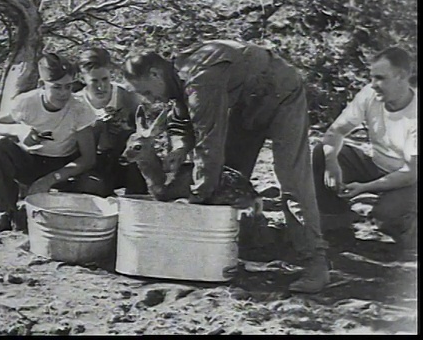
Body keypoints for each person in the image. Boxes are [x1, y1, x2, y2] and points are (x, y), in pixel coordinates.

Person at [121, 40, 329, 293]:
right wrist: (180, 147)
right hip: (248, 102)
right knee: (230, 176)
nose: (149, 99)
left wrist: (196, 197)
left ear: (155, 73)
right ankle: (240, 246)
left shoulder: (200, 79)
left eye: (147, 92)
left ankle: (315, 264)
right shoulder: (178, 76)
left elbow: (209, 143)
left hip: (282, 93)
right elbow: (181, 118)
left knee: (292, 179)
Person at [312, 46, 417, 253]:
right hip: (378, 166)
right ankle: (336, 227)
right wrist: (332, 164)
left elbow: (411, 173)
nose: (373, 85)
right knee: (322, 152)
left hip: (409, 180)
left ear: (402, 76)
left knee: (388, 217)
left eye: (380, 78)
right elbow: (335, 132)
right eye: (371, 78)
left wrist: (364, 187)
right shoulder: (370, 95)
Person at [0, 52, 98, 232]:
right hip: (31, 160)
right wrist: (17, 129)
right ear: (42, 85)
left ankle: (43, 208)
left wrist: (50, 180)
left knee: (95, 185)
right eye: (57, 87)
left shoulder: (79, 108)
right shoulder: (26, 102)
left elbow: (88, 158)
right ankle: (4, 213)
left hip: (62, 165)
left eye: (68, 86)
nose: (64, 93)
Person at [71, 46, 148, 197]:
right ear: (82, 78)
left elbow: (143, 132)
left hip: (122, 160)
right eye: (94, 81)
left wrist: (124, 127)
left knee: (138, 170)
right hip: (92, 163)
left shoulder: (127, 97)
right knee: (93, 185)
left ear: (110, 72)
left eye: (105, 79)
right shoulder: (76, 103)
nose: (101, 87)